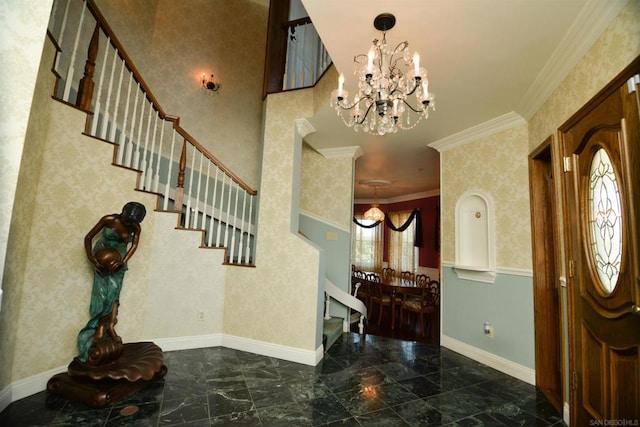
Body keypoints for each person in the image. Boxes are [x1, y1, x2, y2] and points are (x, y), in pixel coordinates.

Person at [76, 201, 146, 363]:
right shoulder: (109, 219)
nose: (129, 224)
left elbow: (134, 245)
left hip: (118, 261)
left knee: (114, 294)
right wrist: (92, 259)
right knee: (101, 294)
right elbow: (88, 237)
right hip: (102, 259)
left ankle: (108, 326)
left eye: (133, 222)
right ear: (123, 212)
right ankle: (97, 327)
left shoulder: (135, 227)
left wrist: (123, 261)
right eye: (127, 220)